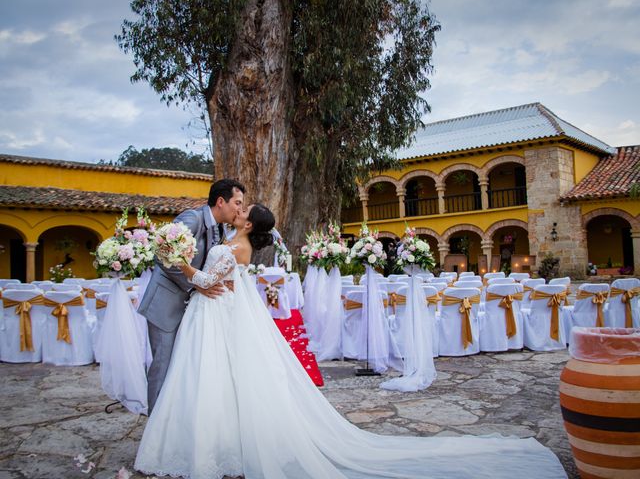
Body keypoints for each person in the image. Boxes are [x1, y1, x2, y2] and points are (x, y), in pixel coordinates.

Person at [135, 204, 567, 479]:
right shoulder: (231, 240)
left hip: (213, 313)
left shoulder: (240, 247)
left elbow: (210, 278)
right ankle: (212, 437)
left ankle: (216, 442)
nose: (240, 209)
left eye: (245, 209)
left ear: (249, 223)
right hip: (212, 316)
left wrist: (181, 266)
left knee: (212, 376)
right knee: (211, 378)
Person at [137, 178, 245, 413]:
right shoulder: (192, 218)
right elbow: (163, 255)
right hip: (165, 305)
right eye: (237, 202)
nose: (239, 209)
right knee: (162, 365)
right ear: (220, 201)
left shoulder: (218, 229)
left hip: (188, 307)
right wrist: (196, 285)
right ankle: (154, 426)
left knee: (179, 367)